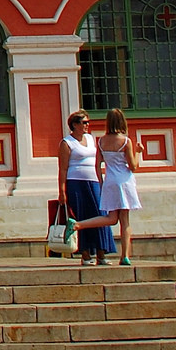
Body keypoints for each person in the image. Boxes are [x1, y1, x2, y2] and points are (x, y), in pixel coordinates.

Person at [71, 109, 141, 265]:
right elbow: (133, 166)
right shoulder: (125, 141)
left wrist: (101, 182)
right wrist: (138, 152)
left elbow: (97, 164)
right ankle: (125, 256)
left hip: (109, 181)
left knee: (111, 218)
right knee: (125, 221)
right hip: (124, 181)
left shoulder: (101, 141)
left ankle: (79, 224)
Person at [60, 112, 113, 266]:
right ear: (75, 125)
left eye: (88, 122)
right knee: (82, 216)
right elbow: (63, 168)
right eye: (84, 122)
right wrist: (62, 191)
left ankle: (102, 254)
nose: (87, 125)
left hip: (94, 181)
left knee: (100, 214)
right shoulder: (67, 143)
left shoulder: (90, 139)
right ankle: (85, 255)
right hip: (76, 183)